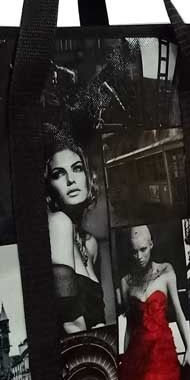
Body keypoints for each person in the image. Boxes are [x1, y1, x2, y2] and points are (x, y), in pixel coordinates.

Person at [118, 225, 190, 380]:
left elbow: (179, 312)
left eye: (143, 249)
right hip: (137, 356)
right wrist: (124, 360)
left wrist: (189, 349)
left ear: (151, 244)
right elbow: (129, 326)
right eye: (134, 252)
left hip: (162, 353)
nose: (139, 256)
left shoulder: (166, 271)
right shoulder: (125, 282)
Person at [44, 125, 106, 335]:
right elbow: (71, 325)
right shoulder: (58, 223)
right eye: (58, 174)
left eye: (77, 168)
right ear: (48, 187)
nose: (71, 180)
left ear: (88, 177)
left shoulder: (90, 244)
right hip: (80, 351)